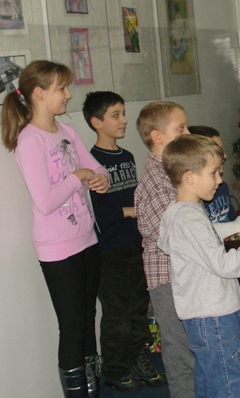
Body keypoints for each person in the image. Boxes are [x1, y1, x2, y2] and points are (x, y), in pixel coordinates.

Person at [1, 61, 110, 398]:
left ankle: (93, 390)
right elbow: (46, 201)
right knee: (72, 324)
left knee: (88, 316)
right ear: (39, 94)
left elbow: (96, 167)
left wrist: (100, 178)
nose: (68, 95)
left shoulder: (66, 131)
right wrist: (78, 177)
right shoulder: (29, 141)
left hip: (86, 239)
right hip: (58, 248)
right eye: (61, 88)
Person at [158, 134, 240, 398]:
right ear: (190, 177)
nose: (219, 180)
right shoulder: (188, 218)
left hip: (204, 317)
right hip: (214, 317)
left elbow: (204, 240)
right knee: (234, 384)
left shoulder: (181, 213)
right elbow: (224, 265)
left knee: (211, 382)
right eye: (214, 173)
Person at [81, 91, 167, 391]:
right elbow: (96, 212)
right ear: (96, 122)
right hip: (109, 250)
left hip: (135, 243)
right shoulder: (91, 161)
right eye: (115, 115)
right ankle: (115, 369)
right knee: (117, 313)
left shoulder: (128, 157)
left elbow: (137, 196)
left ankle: (138, 358)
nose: (123, 120)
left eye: (123, 113)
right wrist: (129, 211)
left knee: (138, 307)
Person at [188, 125, 240, 391]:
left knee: (226, 343)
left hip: (225, 282)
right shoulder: (192, 208)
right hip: (211, 295)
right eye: (216, 151)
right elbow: (211, 239)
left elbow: (230, 223)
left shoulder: (218, 188)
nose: (222, 156)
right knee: (226, 369)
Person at [133, 101, 195, 397]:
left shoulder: (171, 172)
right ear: (157, 137)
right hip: (168, 277)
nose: (188, 133)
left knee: (189, 341)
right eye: (181, 128)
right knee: (179, 345)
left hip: (181, 273)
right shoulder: (158, 181)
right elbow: (171, 237)